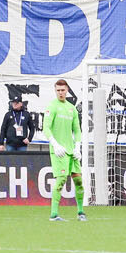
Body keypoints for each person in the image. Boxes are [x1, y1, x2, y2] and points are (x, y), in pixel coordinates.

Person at [46, 78, 85, 222]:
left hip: (71, 151)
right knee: (61, 180)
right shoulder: (52, 106)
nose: (60, 93)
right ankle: (54, 215)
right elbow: (46, 128)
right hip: (59, 151)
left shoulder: (71, 108)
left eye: (62, 90)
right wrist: (55, 144)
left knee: (79, 181)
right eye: (58, 90)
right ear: (55, 91)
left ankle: (81, 212)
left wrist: (78, 147)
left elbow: (77, 130)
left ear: (67, 90)